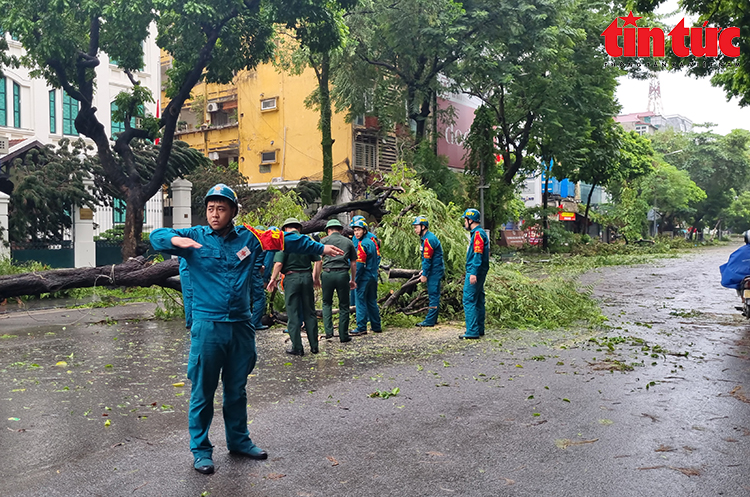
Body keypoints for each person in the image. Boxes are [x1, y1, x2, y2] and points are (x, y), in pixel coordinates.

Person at [150, 184, 343, 475]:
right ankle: (201, 450)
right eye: (211, 208)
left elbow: (287, 240)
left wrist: (321, 247)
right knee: (203, 390)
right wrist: (177, 243)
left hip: (241, 325)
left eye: (221, 209)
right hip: (208, 325)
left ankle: (239, 440)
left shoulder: (250, 238)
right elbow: (157, 236)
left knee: (237, 389)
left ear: (233, 212)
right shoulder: (195, 237)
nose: (215, 214)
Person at [266, 218, 321, 356]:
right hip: (307, 277)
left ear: (285, 229)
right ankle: (314, 346)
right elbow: (318, 260)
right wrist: (316, 278)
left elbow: (278, 263)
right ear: (299, 229)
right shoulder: (306, 240)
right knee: (310, 312)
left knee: (293, 313)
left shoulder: (284, 240)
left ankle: (297, 347)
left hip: (291, 278)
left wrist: (273, 279)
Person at [315, 219, 357, 342]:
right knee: (344, 305)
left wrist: (316, 278)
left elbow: (319, 261)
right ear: (340, 230)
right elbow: (353, 263)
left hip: (327, 274)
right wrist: (353, 279)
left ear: (328, 230)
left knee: (326, 303)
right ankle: (344, 336)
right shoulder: (348, 242)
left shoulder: (323, 241)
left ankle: (329, 332)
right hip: (342, 274)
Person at [459, 208, 489, 340]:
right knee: (478, 299)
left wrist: (473, 272)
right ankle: (479, 328)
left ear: (470, 220)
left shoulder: (477, 234)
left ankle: (472, 330)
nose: (464, 223)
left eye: (465, 220)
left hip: (475, 270)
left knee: (469, 299)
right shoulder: (479, 233)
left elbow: (477, 255)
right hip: (480, 270)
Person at [351, 218, 382, 336]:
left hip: (364, 277)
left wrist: (354, 280)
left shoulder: (362, 244)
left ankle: (361, 327)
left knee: (360, 302)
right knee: (371, 301)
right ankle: (376, 325)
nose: (356, 233)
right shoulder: (371, 242)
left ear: (364, 230)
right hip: (373, 276)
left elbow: (359, 265)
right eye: (354, 230)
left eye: (358, 230)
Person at [412, 215, 444, 327]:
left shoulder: (428, 240)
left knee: (433, 294)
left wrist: (425, 274)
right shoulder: (427, 238)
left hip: (434, 271)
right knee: (434, 294)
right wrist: (423, 271)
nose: (415, 230)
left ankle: (430, 321)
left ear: (423, 227)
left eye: (416, 227)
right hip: (434, 269)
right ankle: (433, 318)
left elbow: (427, 259)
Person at [250, 225, 268, 331]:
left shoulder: (248, 243)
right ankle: (255, 322)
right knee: (260, 298)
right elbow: (268, 263)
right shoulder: (264, 245)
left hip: (246, 273)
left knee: (247, 297)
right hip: (256, 273)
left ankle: (246, 321)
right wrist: (266, 279)